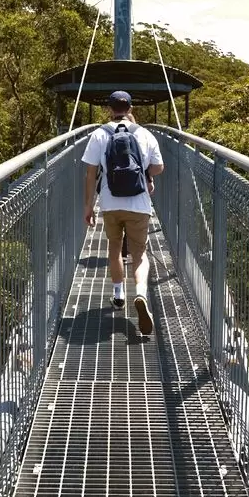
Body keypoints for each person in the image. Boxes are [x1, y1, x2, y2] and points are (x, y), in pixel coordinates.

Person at [82, 91, 164, 335]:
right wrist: (147, 173)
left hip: (110, 202)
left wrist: (89, 205)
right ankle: (140, 294)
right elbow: (159, 167)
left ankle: (118, 296)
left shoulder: (99, 134)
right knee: (139, 254)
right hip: (139, 203)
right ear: (130, 107)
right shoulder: (145, 133)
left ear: (109, 108)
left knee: (115, 249)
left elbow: (90, 173)